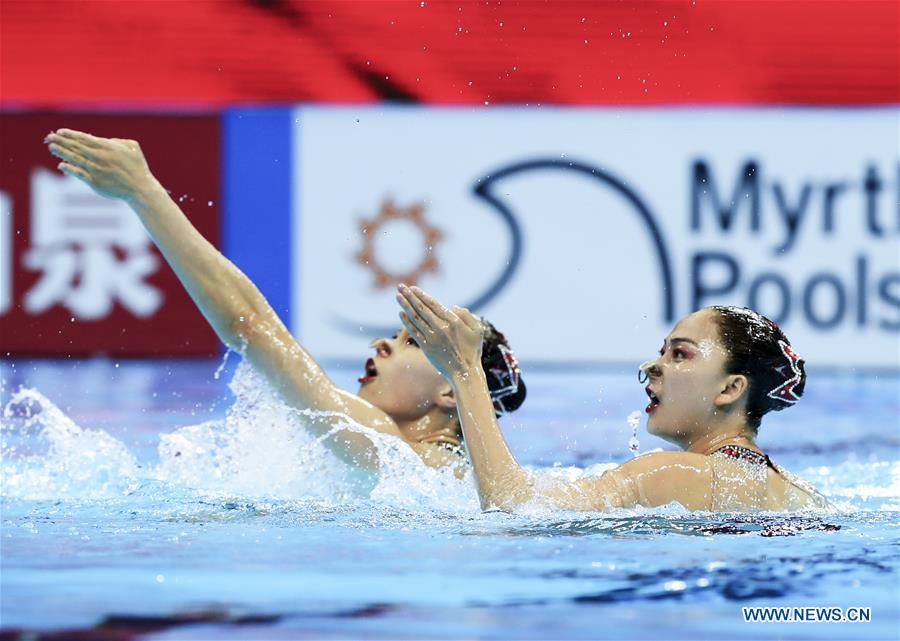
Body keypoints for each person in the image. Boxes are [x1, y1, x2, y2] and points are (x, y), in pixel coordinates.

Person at [43, 129, 526, 473]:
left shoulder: (394, 454)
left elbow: (250, 325)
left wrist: (144, 193)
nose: (382, 344)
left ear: (452, 392)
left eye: (414, 341)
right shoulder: (440, 473)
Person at [396, 284, 831, 512]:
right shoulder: (801, 493)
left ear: (731, 389)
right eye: (662, 351)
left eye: (680, 354)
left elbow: (512, 508)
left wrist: (465, 370)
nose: (652, 366)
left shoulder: (673, 472)